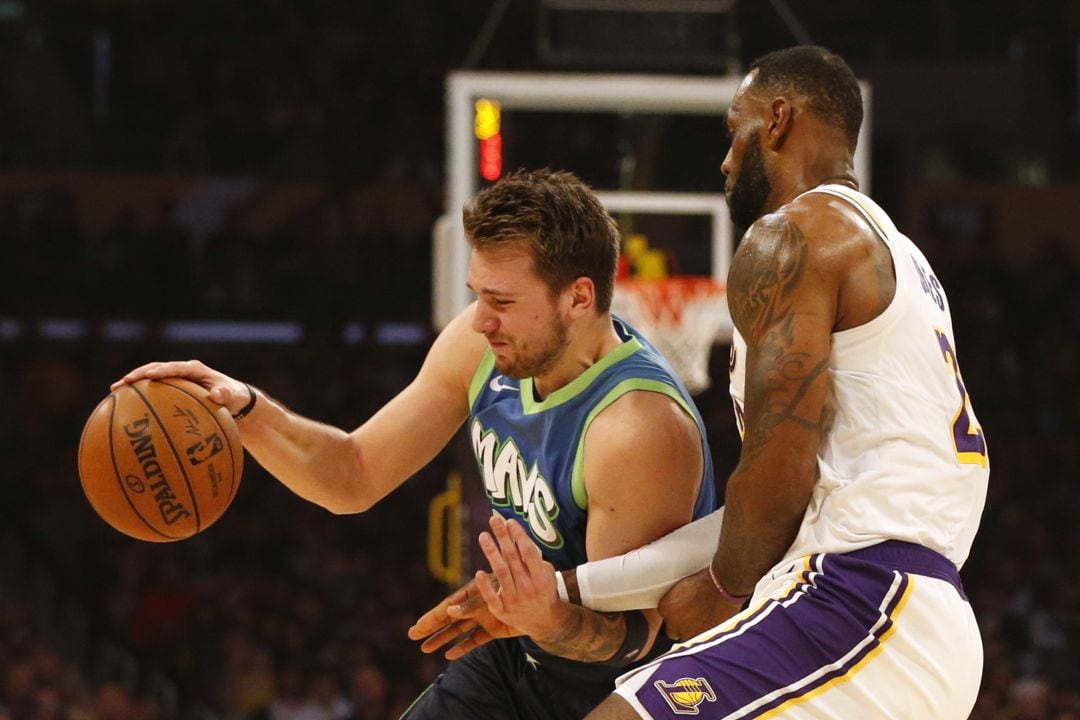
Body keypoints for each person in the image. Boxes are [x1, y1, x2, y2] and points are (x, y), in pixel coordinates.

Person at [432, 46, 989, 719]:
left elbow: (776, 480)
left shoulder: (794, 235)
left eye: (734, 131)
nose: (726, 162)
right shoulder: (901, 259)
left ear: (778, 121)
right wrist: (562, 589)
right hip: (909, 617)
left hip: (856, 599)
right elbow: (759, 511)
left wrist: (723, 591)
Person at [112, 168, 718, 720]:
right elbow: (353, 474)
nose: (480, 319)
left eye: (502, 302)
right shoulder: (482, 346)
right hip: (521, 645)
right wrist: (245, 410)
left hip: (632, 686)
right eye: (478, 293)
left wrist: (547, 616)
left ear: (579, 298)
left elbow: (635, 634)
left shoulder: (637, 432)